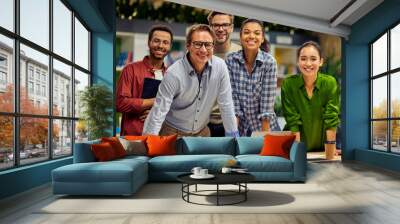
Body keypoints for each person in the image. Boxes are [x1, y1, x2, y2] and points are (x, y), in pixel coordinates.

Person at [142, 24, 239, 137]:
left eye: (208, 45)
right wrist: (149, 141)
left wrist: (233, 135)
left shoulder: (220, 67)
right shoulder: (174, 73)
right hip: (172, 133)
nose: (203, 50)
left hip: (202, 133)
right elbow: (159, 110)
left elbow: (226, 104)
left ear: (213, 46)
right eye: (197, 44)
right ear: (188, 46)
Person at [281, 41, 340, 153]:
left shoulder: (330, 83)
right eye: (303, 59)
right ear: (298, 61)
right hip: (294, 145)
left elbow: (331, 118)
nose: (308, 63)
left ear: (321, 61)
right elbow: (292, 121)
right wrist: (298, 152)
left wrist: (331, 148)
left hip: (322, 147)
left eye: (313, 59)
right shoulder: (288, 84)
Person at [226, 19, 280, 136]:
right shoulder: (231, 61)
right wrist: (234, 137)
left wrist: (264, 140)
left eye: (256, 33)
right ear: (240, 37)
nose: (251, 36)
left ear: (262, 39)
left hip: (266, 129)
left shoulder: (269, 62)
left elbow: (267, 105)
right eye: (246, 32)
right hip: (240, 129)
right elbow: (233, 100)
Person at [116, 25, 173, 136]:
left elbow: (175, 109)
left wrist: (155, 112)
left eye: (165, 42)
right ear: (149, 42)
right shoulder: (130, 69)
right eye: (156, 41)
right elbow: (120, 103)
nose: (161, 46)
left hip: (161, 137)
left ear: (170, 46)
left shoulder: (171, 75)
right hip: (134, 136)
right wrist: (156, 101)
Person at [207, 11, 242, 137]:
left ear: (232, 27)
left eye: (225, 25)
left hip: (236, 122)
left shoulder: (242, 53)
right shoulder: (201, 54)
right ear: (210, 27)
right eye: (216, 25)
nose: (221, 29)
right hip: (205, 123)